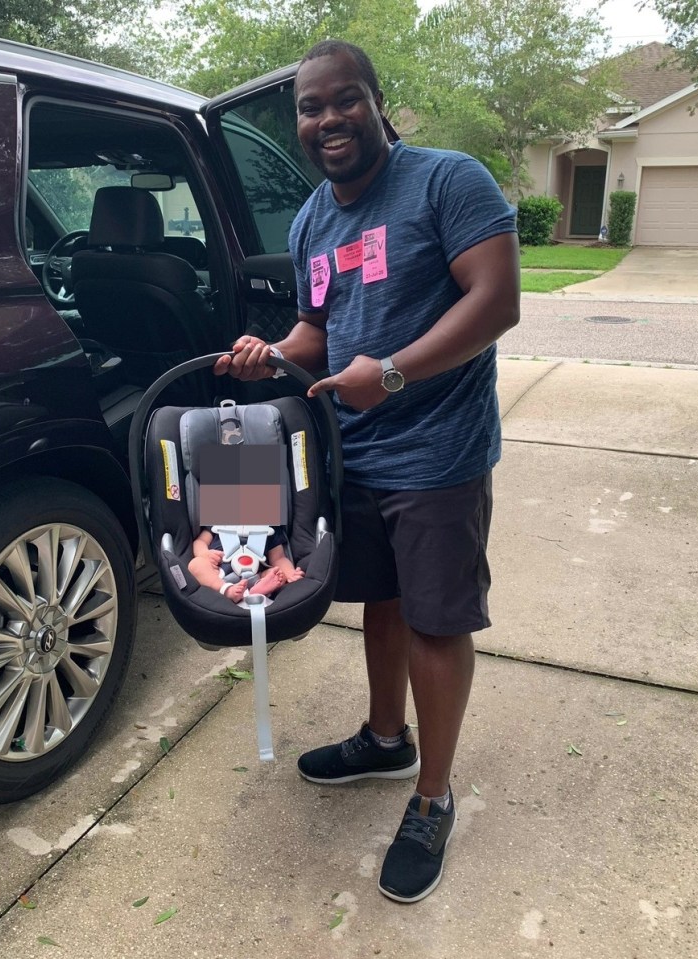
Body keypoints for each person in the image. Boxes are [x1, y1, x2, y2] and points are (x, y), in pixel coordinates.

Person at [214, 39, 520, 904]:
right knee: (380, 607)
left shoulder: (445, 181)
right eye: (310, 109)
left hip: (438, 451)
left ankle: (432, 794)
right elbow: (319, 333)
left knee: (433, 620)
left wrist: (390, 374)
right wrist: (268, 355)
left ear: (376, 102)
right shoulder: (312, 217)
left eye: (342, 100)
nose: (326, 121)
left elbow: (495, 299)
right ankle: (386, 739)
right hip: (357, 452)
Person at [189, 526, 304, 603]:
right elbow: (200, 542)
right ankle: (227, 589)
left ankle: (256, 590)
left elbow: (278, 558)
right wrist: (204, 554)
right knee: (196, 565)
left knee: (278, 574)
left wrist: (290, 573)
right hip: (219, 572)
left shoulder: (270, 528)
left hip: (258, 574)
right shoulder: (217, 524)